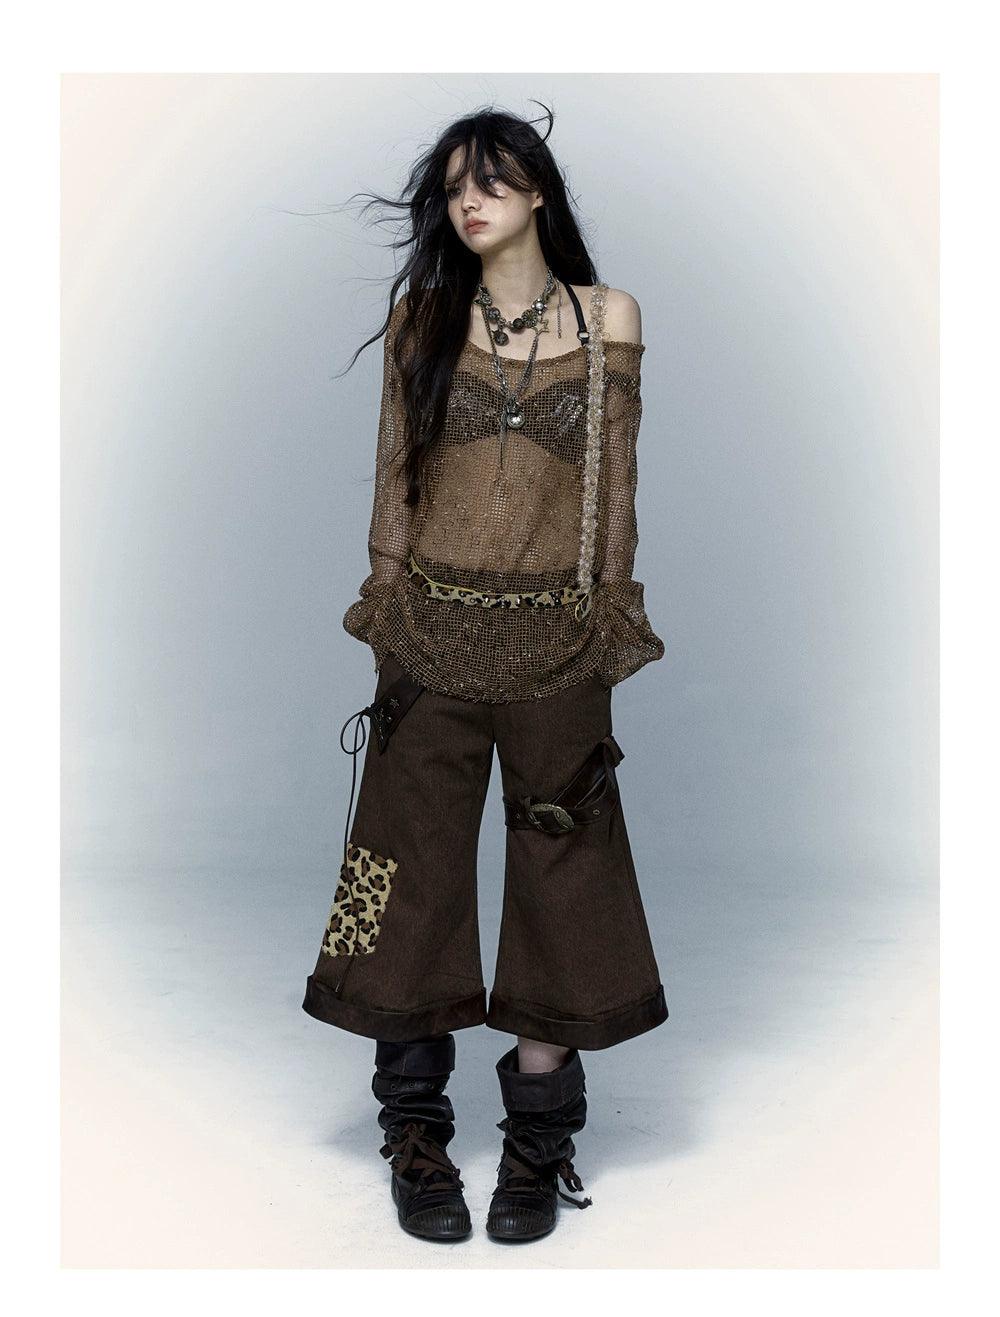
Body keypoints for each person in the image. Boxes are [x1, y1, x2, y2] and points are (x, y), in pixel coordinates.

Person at [302, 103, 669, 1245]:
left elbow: (615, 494)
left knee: (569, 878)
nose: (470, 201)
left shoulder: (608, 318)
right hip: (430, 635)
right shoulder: (421, 315)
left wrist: (608, 624)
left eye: (493, 181)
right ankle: (414, 1131)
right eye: (456, 185)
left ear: (538, 191)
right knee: (396, 874)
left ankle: (537, 1141)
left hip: (560, 637)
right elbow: (394, 484)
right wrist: (388, 619)